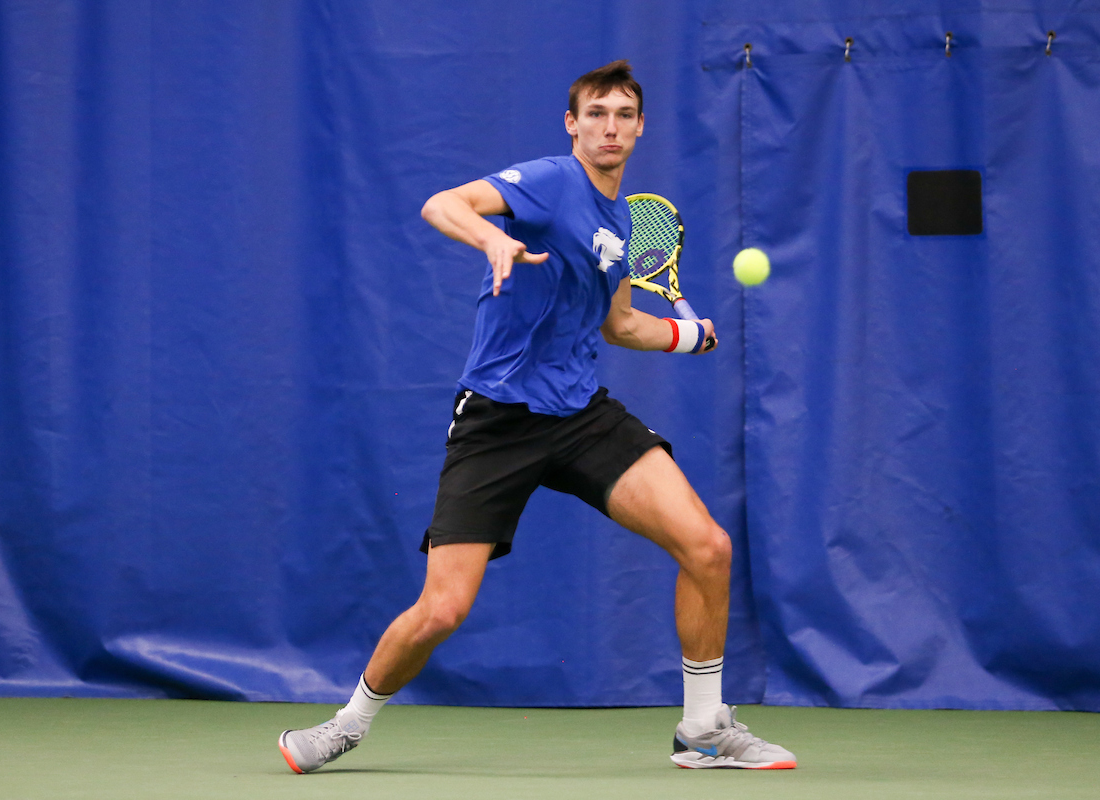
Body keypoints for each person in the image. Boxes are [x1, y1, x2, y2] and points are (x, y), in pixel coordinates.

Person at [279, 60, 796, 772]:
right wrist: (490, 238)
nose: (609, 127)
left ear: (640, 127)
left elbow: (620, 326)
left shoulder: (623, 219)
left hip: (582, 415)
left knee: (707, 547)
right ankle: (347, 723)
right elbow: (442, 203)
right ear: (572, 125)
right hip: (498, 419)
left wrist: (687, 334)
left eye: (622, 114)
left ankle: (703, 729)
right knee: (442, 610)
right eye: (596, 114)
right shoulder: (552, 182)